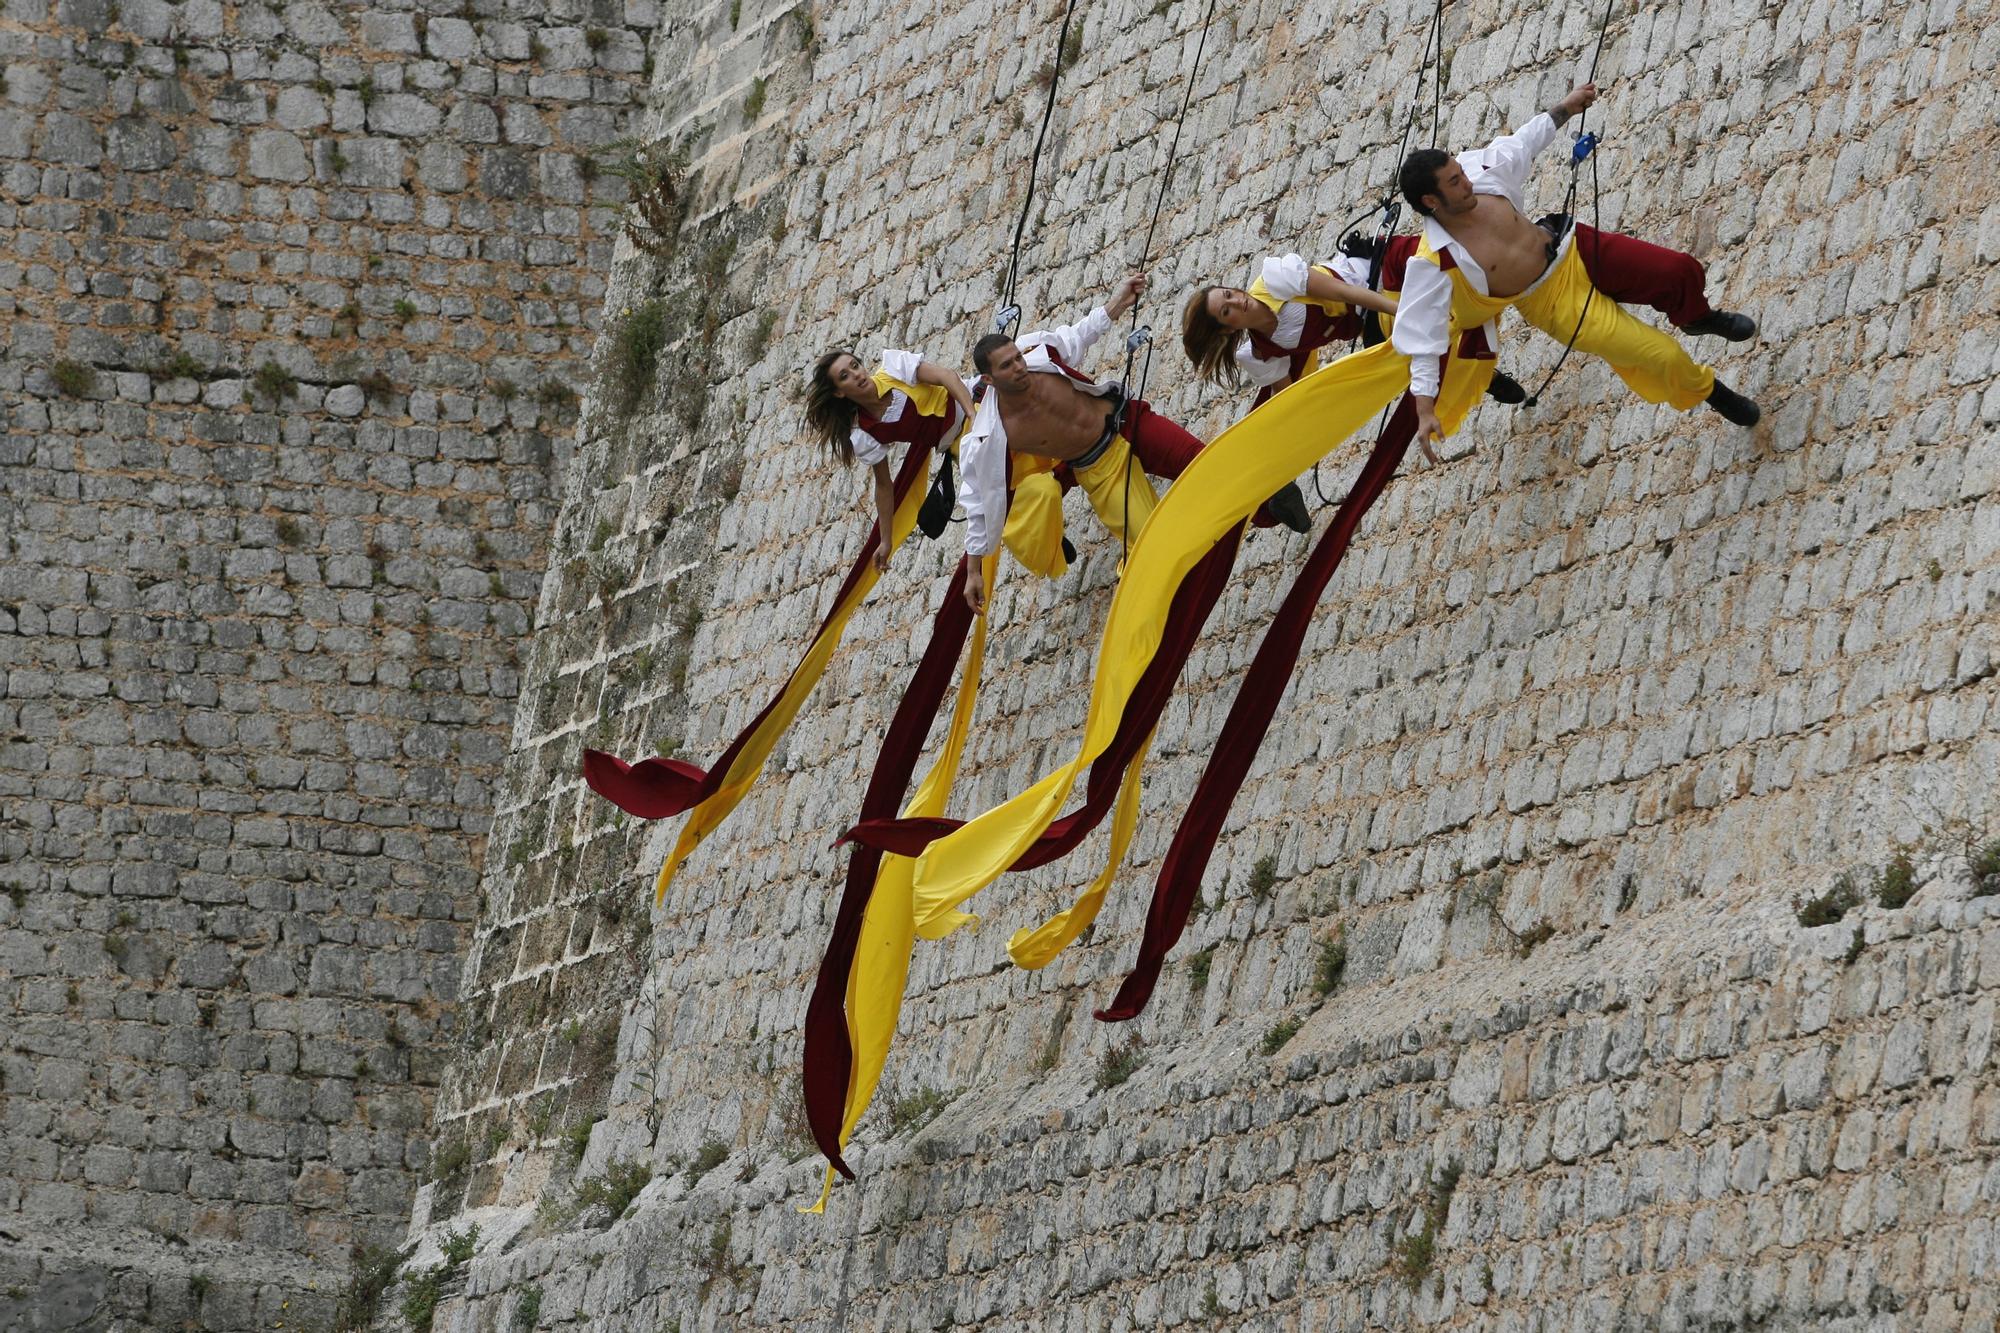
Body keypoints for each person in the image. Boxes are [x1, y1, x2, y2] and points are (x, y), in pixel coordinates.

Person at [1395, 81, 1761, 447]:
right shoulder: (1432, 263)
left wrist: (1567, 107)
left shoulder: (1481, 172)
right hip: (1553, 303)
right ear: (1431, 200)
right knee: (1660, 355)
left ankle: (1698, 317)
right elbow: (1423, 340)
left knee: (1678, 271)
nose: (1467, 182)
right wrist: (1426, 411)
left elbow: (1524, 142)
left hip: (1573, 247)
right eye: (1455, 182)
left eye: (1461, 171)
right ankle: (1713, 392)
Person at [957, 271, 1311, 613]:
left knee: (1204, 466)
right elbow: (979, 505)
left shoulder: (1039, 353)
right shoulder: (990, 434)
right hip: (1099, 468)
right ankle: (1155, 613)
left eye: (1017, 357)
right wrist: (974, 572)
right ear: (988, 379)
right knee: (1150, 548)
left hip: (1127, 421)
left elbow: (1078, 335)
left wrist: (1119, 303)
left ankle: (1272, 508)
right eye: (1007, 366)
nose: (1018, 366)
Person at [805, 347, 1071, 578]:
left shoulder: (894, 368)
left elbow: (946, 377)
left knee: (1035, 437)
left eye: (855, 366)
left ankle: (1079, 453)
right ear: (839, 393)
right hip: (959, 445)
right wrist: (886, 540)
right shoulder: (864, 433)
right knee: (1005, 500)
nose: (856, 374)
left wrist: (972, 416)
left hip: (977, 407)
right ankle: (1047, 539)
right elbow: (884, 486)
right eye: (845, 376)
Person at [1182, 246, 1530, 407]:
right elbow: (1288, 402)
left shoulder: (1275, 279)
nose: (1236, 301)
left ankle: (1511, 269)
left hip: (1375, 279)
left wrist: (1402, 310)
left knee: (1420, 321)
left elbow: (1348, 292)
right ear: (1227, 329)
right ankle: (1486, 377)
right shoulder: (1259, 353)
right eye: (1226, 311)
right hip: (1369, 324)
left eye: (1229, 294)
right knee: (1414, 360)